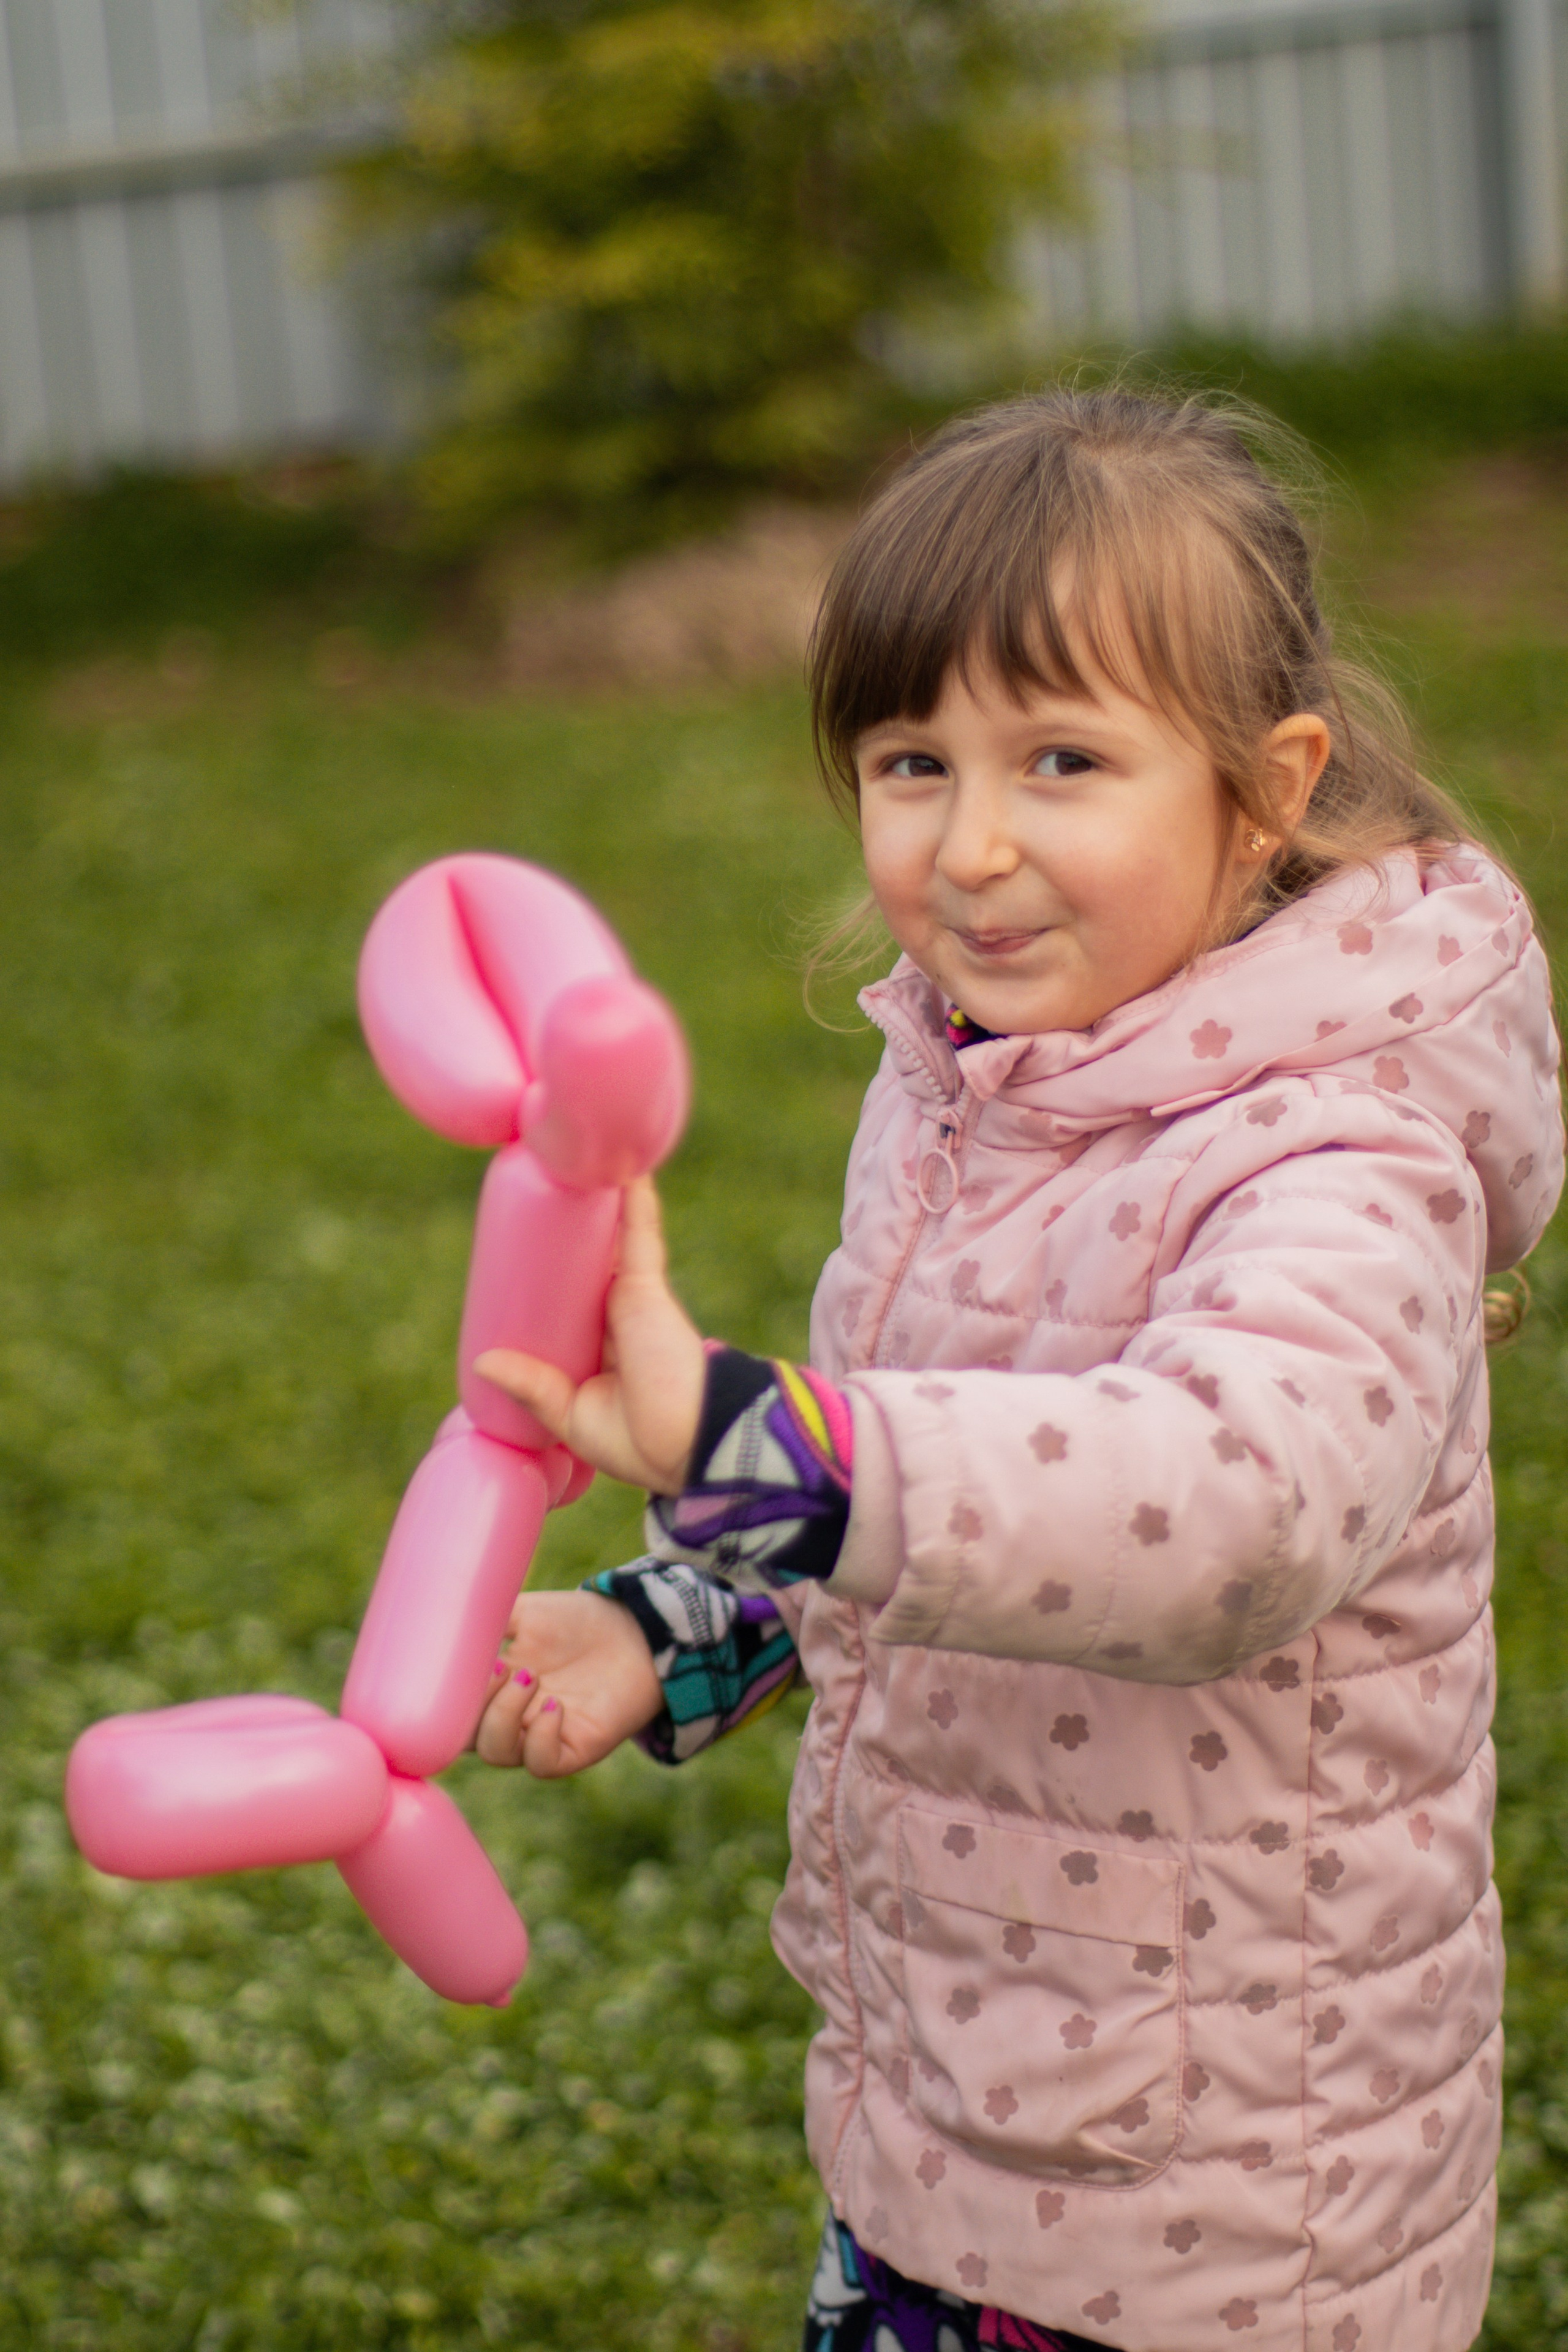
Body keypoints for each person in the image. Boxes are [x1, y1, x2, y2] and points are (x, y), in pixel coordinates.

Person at [469, 388, 1563, 2352]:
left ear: (1266, 787)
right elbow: (941, 1478)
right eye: (912, 762)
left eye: (1062, 759)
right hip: (965, 2101)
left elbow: (1221, 1508)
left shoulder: (1342, 1159)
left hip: (1221, 2208)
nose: (972, 847)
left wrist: (756, 1448)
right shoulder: (970, 1092)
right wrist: (683, 1620)